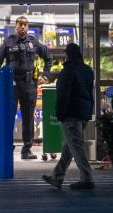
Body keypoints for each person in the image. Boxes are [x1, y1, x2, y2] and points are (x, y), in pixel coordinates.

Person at [0, 16, 53, 159]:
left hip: (29, 85)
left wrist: (44, 76)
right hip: (11, 85)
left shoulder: (34, 42)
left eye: (25, 25)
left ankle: (26, 150)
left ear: (28, 27)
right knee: (9, 117)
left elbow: (48, 57)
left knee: (28, 118)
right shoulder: (8, 42)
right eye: (20, 24)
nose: (23, 27)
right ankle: (7, 148)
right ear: (16, 26)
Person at [42, 43, 95, 190]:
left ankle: (87, 178)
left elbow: (63, 95)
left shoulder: (67, 71)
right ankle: (56, 177)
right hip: (83, 113)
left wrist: (60, 113)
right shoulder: (87, 70)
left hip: (71, 114)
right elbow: (90, 93)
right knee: (70, 147)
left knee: (76, 146)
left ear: (68, 55)